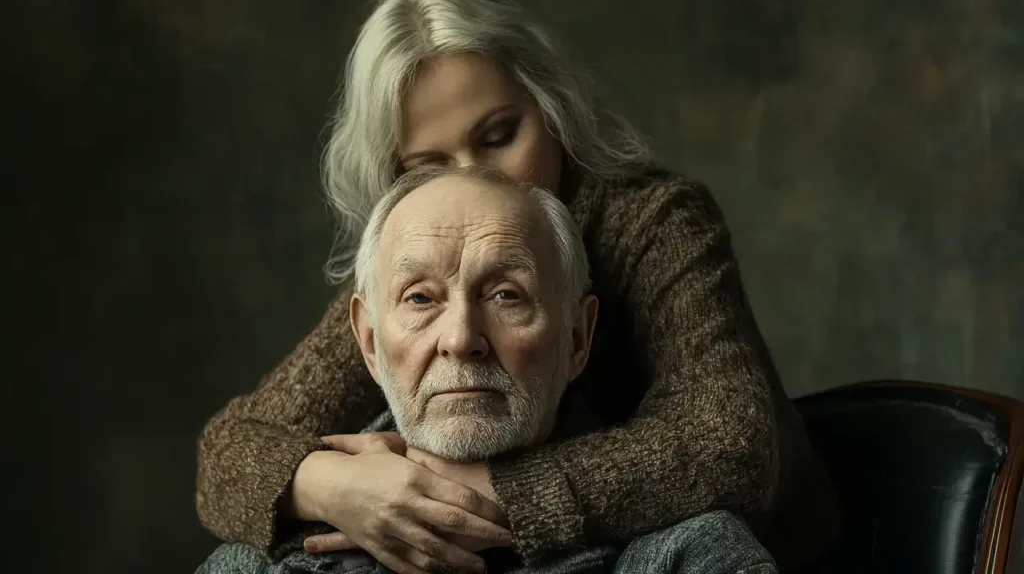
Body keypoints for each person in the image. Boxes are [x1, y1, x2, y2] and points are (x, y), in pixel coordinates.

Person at [195, 0, 840, 572]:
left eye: (499, 137)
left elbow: (731, 444)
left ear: (552, 109)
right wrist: (335, 486)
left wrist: (476, 493)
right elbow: (229, 453)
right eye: (430, 167)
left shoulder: (651, 223)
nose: (474, 178)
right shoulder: (422, 258)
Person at [198, 165, 779, 574]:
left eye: (505, 295)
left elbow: (734, 443)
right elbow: (225, 453)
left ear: (578, 338)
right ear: (369, 344)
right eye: (421, 299)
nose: (459, 340)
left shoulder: (691, 557)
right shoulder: (256, 569)